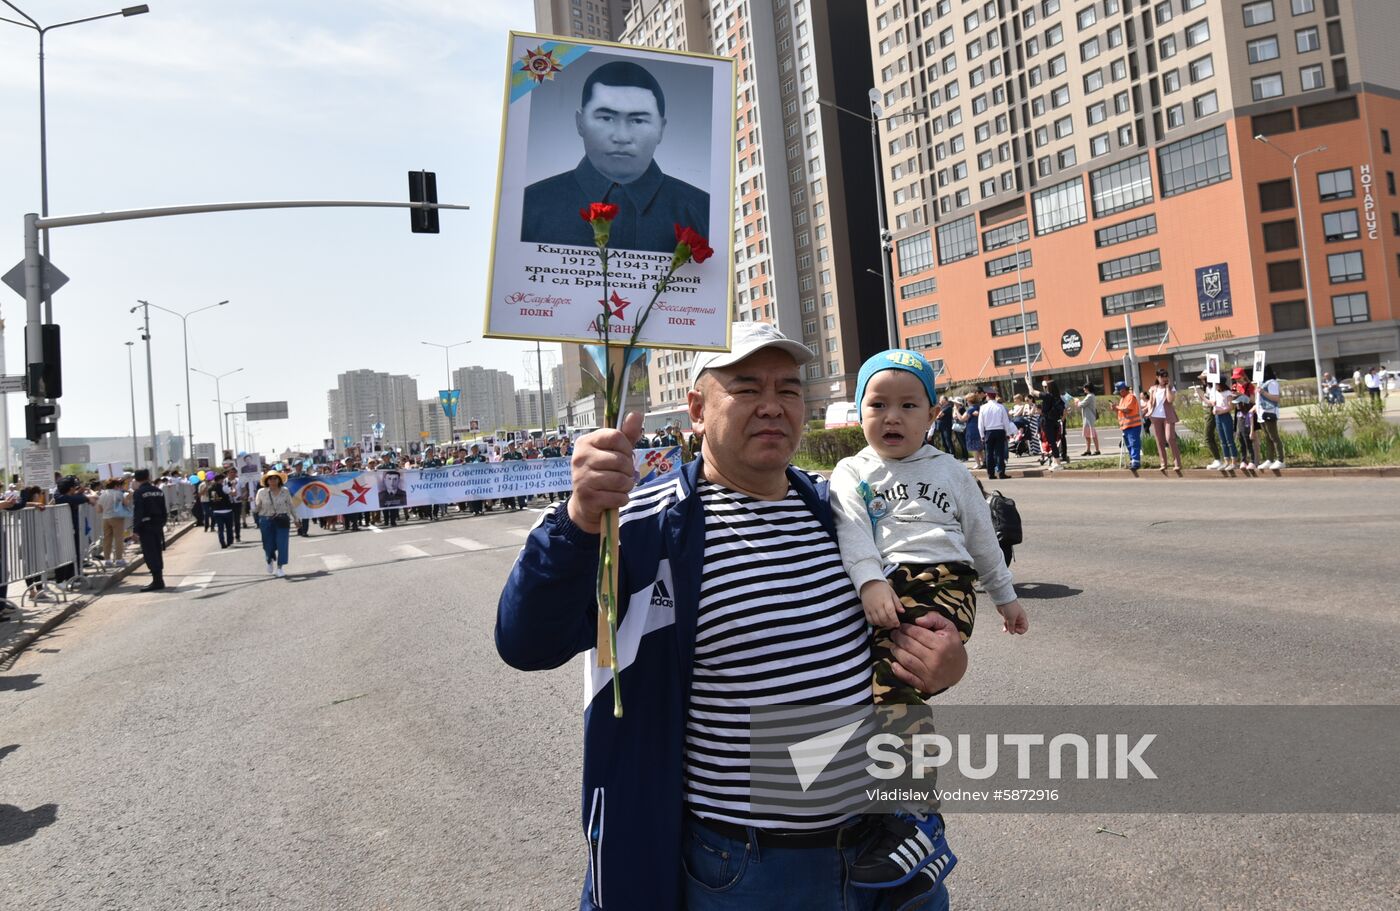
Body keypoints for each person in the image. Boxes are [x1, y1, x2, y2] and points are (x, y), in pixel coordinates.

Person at [496, 321, 968, 911]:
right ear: (696, 408)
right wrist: (579, 519)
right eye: (746, 388)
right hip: (750, 872)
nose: (772, 406)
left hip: (891, 849)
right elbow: (526, 641)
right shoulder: (638, 522)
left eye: (789, 390)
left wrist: (944, 659)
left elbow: (916, 620)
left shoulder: (843, 510)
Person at [830, 349, 1027, 901]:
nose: (892, 417)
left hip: (945, 583)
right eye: (878, 404)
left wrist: (1004, 597)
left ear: (932, 414)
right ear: (858, 409)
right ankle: (884, 800)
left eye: (907, 405)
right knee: (870, 689)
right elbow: (850, 531)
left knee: (893, 682)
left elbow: (984, 539)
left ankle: (912, 813)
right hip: (885, 584)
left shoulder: (951, 471)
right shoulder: (852, 471)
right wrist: (869, 581)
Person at [520, 60, 709, 254]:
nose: (621, 137)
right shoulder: (527, 207)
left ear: (661, 129)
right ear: (580, 123)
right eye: (606, 118)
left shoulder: (703, 210)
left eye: (637, 120)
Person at [253, 470, 296, 578]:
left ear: (279, 480)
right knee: (268, 545)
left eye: (275, 478)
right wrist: (254, 507)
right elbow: (258, 507)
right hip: (266, 520)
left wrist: (296, 519)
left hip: (282, 519)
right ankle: (269, 559)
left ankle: (280, 567)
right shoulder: (261, 492)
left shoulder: (285, 491)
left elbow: (290, 505)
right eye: (270, 478)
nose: (273, 480)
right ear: (267, 481)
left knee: (282, 544)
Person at [131, 469, 168, 591]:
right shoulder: (158, 491)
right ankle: (159, 579)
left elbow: (138, 512)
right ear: (148, 476)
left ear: (136, 479)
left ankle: (157, 581)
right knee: (157, 551)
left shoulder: (139, 493)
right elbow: (164, 509)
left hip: (146, 526)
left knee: (150, 553)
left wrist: (135, 530)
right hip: (158, 524)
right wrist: (162, 523)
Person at [1143, 369, 1182, 473]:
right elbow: (1150, 402)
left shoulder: (1170, 387)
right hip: (1156, 417)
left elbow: (1170, 400)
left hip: (1168, 416)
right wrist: (1146, 411)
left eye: (1166, 376)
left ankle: (1177, 463)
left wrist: (1168, 387)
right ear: (1157, 377)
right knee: (1159, 441)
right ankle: (1163, 463)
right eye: (1162, 377)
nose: (1164, 378)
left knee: (1170, 438)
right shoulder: (1153, 389)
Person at [977, 387, 1013, 480]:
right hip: (1000, 431)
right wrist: (1008, 433)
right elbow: (1006, 421)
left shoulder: (983, 408)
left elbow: (980, 423)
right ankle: (1001, 472)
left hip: (988, 431)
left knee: (989, 453)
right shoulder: (1000, 407)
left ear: (988, 396)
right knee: (999, 453)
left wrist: (981, 435)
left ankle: (991, 474)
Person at [95, 477, 132, 567]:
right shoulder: (119, 493)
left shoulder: (103, 495)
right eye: (119, 485)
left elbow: (99, 510)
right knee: (118, 538)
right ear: (116, 486)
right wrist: (129, 497)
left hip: (105, 518)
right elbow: (126, 504)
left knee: (107, 539)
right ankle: (119, 559)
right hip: (117, 517)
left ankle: (107, 560)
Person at [1032, 378, 1066, 471]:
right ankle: (1055, 461)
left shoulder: (1047, 396)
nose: (1045, 388)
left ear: (1048, 387)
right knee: (1054, 442)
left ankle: (1058, 463)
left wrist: (1027, 382)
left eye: (1046, 386)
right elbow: (1063, 409)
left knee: (1052, 442)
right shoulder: (1058, 397)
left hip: (1047, 422)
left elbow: (1032, 391)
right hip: (1055, 421)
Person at [1256, 365, 1285, 470]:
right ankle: (1269, 459)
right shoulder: (1262, 383)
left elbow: (1276, 398)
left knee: (1274, 437)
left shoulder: (1272, 382)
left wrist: (1263, 392)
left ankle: (1280, 459)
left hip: (1270, 412)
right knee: (1268, 437)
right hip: (1262, 413)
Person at [1230, 367, 1259, 470]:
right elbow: (1232, 401)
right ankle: (1243, 460)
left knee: (1248, 438)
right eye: (1235, 378)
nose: (1237, 380)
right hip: (1239, 413)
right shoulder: (1234, 386)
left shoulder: (1250, 386)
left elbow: (1252, 400)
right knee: (1240, 438)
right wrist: (1233, 397)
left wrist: (1241, 395)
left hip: (1249, 413)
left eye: (1238, 378)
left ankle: (1253, 460)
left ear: (1243, 376)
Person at [1112, 381, 1144, 473]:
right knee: (1129, 444)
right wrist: (1115, 409)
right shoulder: (1123, 399)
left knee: (1134, 443)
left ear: (1123, 390)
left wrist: (1117, 407)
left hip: (1133, 425)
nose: (1118, 394)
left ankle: (1136, 462)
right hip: (1126, 426)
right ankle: (1132, 460)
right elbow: (1121, 411)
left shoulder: (1131, 397)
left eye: (1119, 392)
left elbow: (1127, 409)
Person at [1195, 374, 1224, 469]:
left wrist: (1201, 396)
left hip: (1211, 412)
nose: (1202, 380)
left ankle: (1217, 459)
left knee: (1207, 437)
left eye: (1204, 379)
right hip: (1206, 412)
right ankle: (1218, 459)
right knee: (1210, 437)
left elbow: (1212, 402)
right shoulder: (1207, 387)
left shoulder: (1212, 388)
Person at [1210, 380, 1240, 471]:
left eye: (1217, 385)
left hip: (1225, 416)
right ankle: (1226, 461)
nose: (1215, 387)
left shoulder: (1227, 393)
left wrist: (1221, 411)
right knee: (1222, 440)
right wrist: (1214, 409)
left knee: (1229, 440)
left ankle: (1234, 461)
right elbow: (1213, 404)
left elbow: (1231, 407)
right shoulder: (1215, 393)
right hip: (1217, 417)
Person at [207, 479, 237, 549]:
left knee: (220, 529)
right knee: (229, 528)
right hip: (227, 510)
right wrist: (233, 487)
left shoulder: (210, 489)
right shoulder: (224, 487)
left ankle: (222, 542)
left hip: (216, 511)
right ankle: (229, 541)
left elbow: (211, 500)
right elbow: (234, 494)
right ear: (220, 481)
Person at [1077, 384, 1101, 456]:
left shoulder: (1090, 396)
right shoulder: (1091, 396)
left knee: (1092, 434)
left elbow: (1081, 405)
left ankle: (1097, 450)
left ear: (1088, 388)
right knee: (1087, 434)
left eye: (1084, 388)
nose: (1084, 389)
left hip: (1089, 418)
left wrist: (1077, 401)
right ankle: (1088, 450)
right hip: (1088, 417)